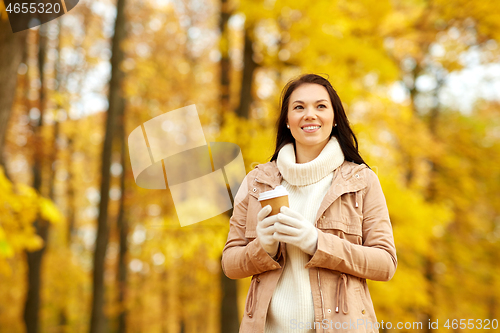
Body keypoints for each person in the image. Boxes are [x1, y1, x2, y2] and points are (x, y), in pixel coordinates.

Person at [221, 73, 397, 333]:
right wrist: (264, 248)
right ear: (287, 122)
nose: (310, 114)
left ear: (335, 119)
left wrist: (317, 243)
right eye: (299, 107)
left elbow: (385, 264)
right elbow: (230, 264)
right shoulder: (256, 182)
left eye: (321, 106)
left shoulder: (362, 181)